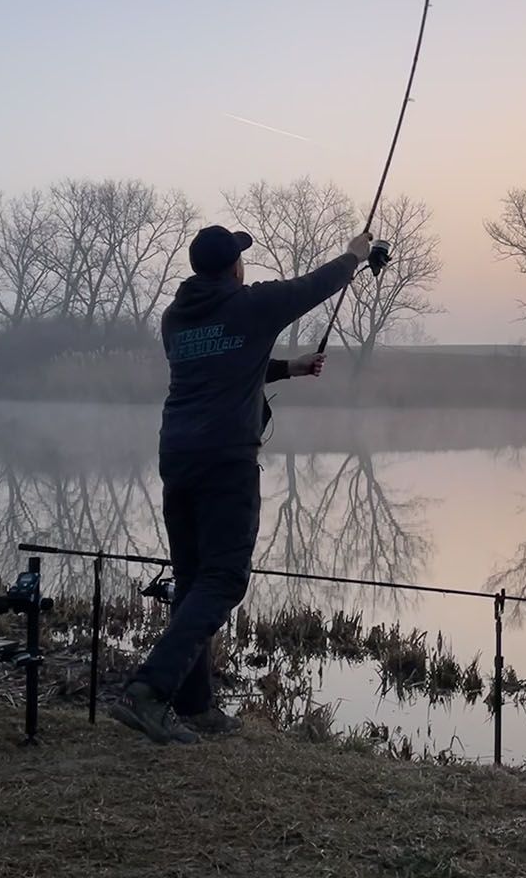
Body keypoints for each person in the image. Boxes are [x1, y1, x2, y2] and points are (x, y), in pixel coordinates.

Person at [110, 222, 371, 745]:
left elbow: (223, 362)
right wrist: (354, 256)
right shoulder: (250, 304)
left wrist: (288, 369)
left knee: (191, 580)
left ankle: (196, 704)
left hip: (177, 455)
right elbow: (313, 287)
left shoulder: (175, 317)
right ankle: (148, 692)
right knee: (224, 578)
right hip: (225, 460)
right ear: (234, 266)